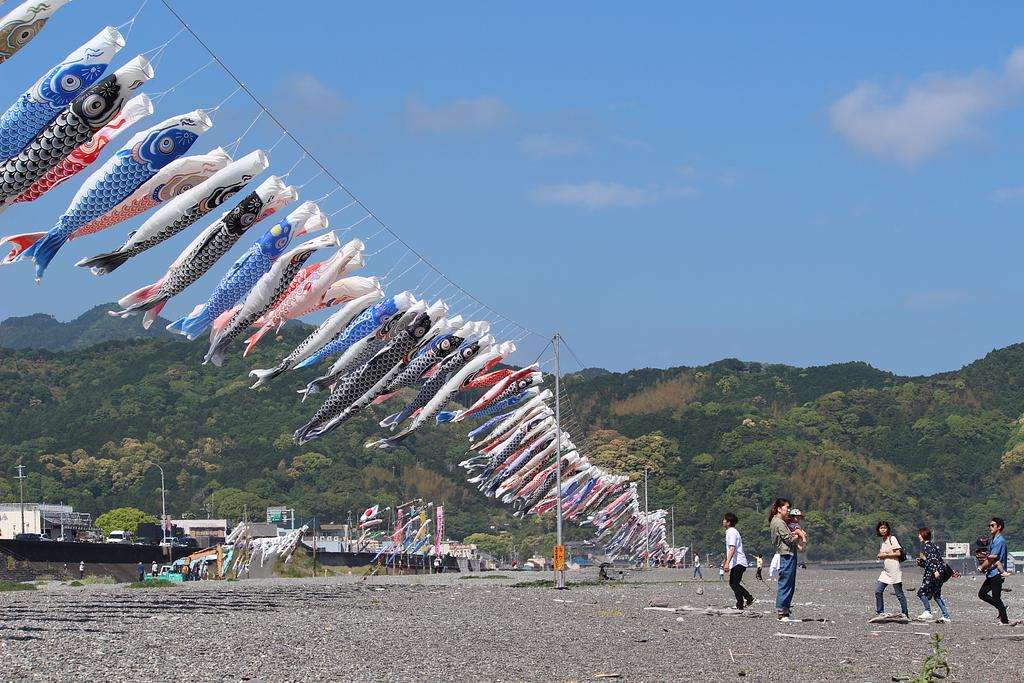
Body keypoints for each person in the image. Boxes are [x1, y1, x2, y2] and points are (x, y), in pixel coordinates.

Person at [769, 498, 807, 621]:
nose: (789, 510)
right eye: (787, 507)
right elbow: (789, 539)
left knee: (788, 582)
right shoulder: (779, 522)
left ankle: (785, 611)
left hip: (787, 553)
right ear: (779, 509)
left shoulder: (780, 521)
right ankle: (782, 612)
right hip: (786, 554)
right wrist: (798, 535)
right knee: (786, 582)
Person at [874, 521, 909, 617]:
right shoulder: (882, 541)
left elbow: (898, 553)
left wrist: (885, 555)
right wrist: (880, 556)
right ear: (878, 530)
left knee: (899, 593)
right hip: (886, 571)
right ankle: (880, 612)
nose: (883, 530)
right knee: (878, 591)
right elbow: (883, 554)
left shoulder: (892, 539)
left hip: (894, 570)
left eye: (885, 528)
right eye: (881, 528)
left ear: (888, 529)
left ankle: (905, 613)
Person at [978, 517, 1010, 624]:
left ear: (999, 527)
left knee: (996, 597)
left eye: (992, 525)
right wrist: (986, 567)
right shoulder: (993, 540)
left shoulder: (1000, 541)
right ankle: (1002, 609)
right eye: (989, 525)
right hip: (991, 572)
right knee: (982, 594)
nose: (990, 527)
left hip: (997, 573)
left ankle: (1004, 620)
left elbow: (992, 557)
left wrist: (982, 567)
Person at [915, 527, 950, 622]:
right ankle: (946, 615)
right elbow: (933, 560)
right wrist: (922, 563)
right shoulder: (933, 545)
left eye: (920, 534)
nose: (919, 536)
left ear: (924, 535)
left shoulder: (928, 546)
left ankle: (928, 611)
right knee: (936, 595)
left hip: (932, 574)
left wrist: (935, 571)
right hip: (939, 572)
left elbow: (933, 560)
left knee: (921, 592)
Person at [722, 512, 754, 610]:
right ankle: (748, 598)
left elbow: (732, 548)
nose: (723, 521)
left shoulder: (732, 532)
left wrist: (727, 563)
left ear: (729, 522)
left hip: (739, 562)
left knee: (734, 584)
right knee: (733, 584)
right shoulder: (730, 532)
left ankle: (740, 604)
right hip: (737, 562)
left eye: (725, 520)